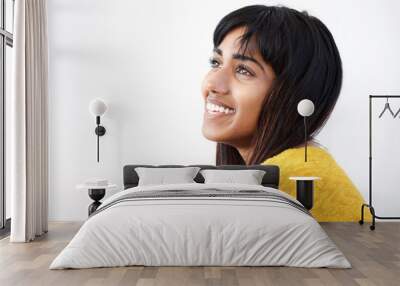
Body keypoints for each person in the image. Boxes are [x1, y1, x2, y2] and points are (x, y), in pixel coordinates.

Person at [201, 5, 369, 222]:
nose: (212, 83)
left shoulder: (288, 182)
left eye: (244, 70)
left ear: (292, 94)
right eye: (216, 62)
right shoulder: (301, 167)